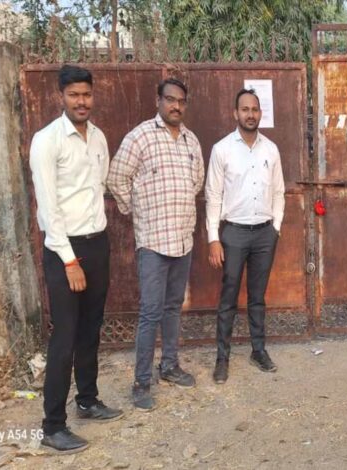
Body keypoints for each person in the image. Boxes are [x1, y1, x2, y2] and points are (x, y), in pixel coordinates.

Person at [30, 64, 123, 453]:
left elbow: (99, 186)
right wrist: (70, 261)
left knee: (90, 328)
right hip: (63, 249)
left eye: (86, 94)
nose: (81, 101)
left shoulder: (98, 137)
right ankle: (52, 426)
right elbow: (48, 207)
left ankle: (87, 400)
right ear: (61, 97)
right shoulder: (46, 141)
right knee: (65, 336)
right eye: (74, 95)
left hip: (97, 243)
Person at [107, 78, 205, 411]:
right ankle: (141, 382)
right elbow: (116, 177)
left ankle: (170, 365)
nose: (176, 106)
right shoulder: (140, 137)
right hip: (153, 241)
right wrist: (137, 210)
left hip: (182, 238)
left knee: (173, 306)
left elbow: (197, 182)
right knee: (150, 312)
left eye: (181, 101)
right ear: (158, 100)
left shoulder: (191, 140)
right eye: (170, 99)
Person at [206, 89, 285, 383]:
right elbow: (213, 195)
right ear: (235, 113)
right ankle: (222, 358)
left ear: (260, 113)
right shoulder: (222, 149)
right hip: (234, 234)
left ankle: (258, 351)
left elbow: (279, 191)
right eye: (245, 109)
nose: (250, 114)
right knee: (228, 297)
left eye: (254, 109)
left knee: (257, 296)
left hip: (264, 233)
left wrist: (276, 227)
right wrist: (213, 238)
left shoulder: (271, 150)